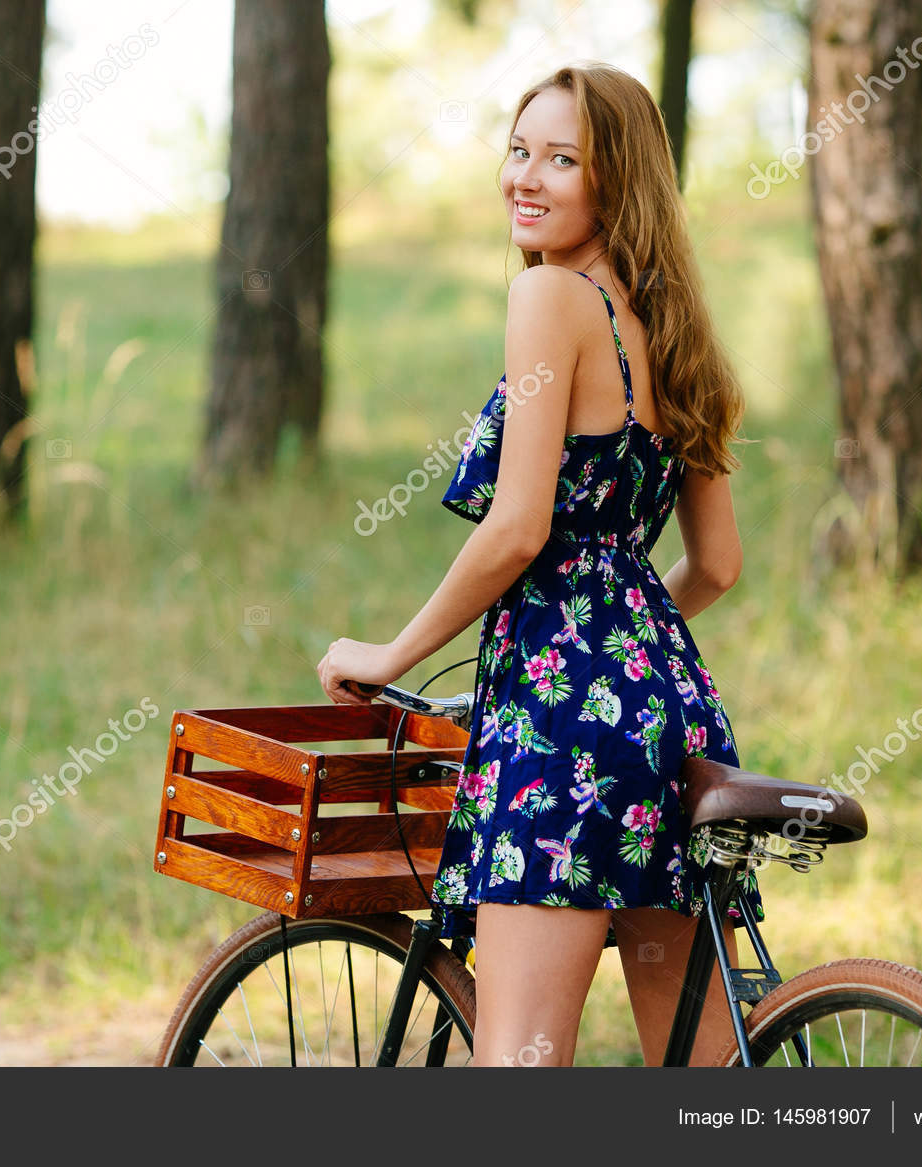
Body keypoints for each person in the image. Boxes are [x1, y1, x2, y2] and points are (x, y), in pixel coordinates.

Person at [316, 61, 763, 1067]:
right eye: (519, 151)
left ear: (618, 181)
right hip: (674, 718)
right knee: (705, 1074)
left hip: (562, 729)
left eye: (562, 159)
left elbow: (518, 528)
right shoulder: (678, 329)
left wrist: (390, 655)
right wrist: (625, 647)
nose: (525, 176)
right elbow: (717, 566)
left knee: (519, 1059)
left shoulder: (549, 297)